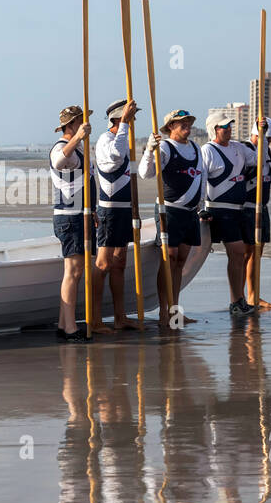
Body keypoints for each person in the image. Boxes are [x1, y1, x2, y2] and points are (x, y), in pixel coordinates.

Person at [140, 109, 203, 328]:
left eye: (188, 122)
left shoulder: (196, 148)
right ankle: (163, 312)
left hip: (190, 212)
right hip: (169, 210)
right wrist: (150, 150)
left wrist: (201, 204)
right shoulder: (165, 147)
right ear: (170, 128)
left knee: (181, 261)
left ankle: (175, 310)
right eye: (181, 123)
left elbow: (200, 177)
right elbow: (144, 173)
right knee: (169, 259)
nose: (186, 125)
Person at [199, 114, 255, 320]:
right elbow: (201, 178)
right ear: (214, 129)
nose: (229, 130)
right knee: (238, 251)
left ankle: (238, 300)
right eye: (224, 127)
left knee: (240, 255)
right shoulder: (208, 150)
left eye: (230, 126)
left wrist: (262, 132)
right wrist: (200, 209)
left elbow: (257, 159)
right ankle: (236, 301)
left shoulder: (238, 148)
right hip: (219, 210)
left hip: (238, 209)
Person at [93, 98, 141, 331]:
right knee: (103, 264)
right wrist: (123, 124)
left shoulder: (124, 139)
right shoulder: (106, 139)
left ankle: (120, 317)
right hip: (109, 210)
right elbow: (113, 159)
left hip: (124, 209)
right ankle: (95, 318)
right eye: (130, 116)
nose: (133, 121)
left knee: (120, 263)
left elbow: (130, 175)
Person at [50, 105, 94, 342]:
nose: (86, 125)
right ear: (72, 125)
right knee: (73, 271)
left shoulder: (78, 148)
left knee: (73, 271)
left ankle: (62, 324)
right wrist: (78, 137)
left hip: (80, 214)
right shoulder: (61, 147)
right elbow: (58, 161)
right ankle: (70, 329)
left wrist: (93, 210)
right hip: (69, 216)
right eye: (81, 122)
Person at [243, 116, 271, 309]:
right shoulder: (244, 149)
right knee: (247, 252)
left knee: (257, 252)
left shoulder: (268, 153)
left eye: (270, 140)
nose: (268, 143)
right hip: (248, 207)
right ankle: (244, 296)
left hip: (262, 207)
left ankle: (254, 294)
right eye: (266, 138)